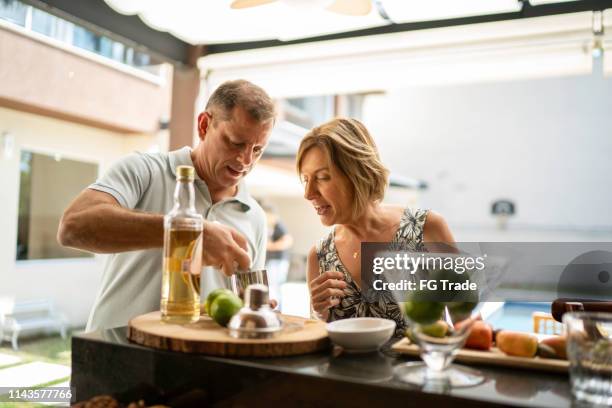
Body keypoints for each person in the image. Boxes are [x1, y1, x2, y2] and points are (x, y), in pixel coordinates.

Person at [57, 79, 276, 331]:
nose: (245, 160)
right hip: (118, 356)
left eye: (257, 150)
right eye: (236, 142)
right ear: (204, 125)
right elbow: (73, 226)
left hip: (196, 364)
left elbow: (243, 301)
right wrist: (190, 234)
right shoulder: (144, 170)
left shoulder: (255, 216)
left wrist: (253, 308)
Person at [296, 117, 455, 334]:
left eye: (323, 177)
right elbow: (318, 340)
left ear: (358, 174)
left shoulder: (426, 228)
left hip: (421, 368)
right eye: (305, 179)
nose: (308, 193)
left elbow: (468, 322)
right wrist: (318, 313)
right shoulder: (320, 255)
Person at [260, 201, 293, 305]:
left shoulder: (278, 225)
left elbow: (288, 240)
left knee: (274, 287)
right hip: (272, 261)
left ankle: (277, 309)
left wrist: (270, 246)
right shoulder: (270, 226)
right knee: (271, 286)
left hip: (277, 261)